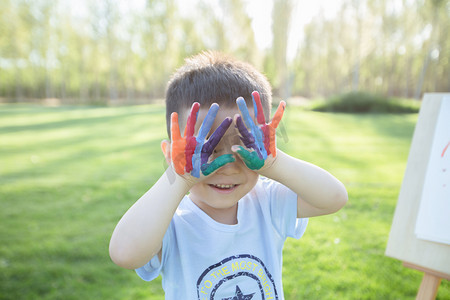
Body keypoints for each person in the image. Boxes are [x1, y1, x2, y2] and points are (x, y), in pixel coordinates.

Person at [109, 51, 348, 299]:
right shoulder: (169, 222)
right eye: (206, 149)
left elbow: (335, 197)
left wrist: (273, 163)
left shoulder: (267, 203)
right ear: (171, 155)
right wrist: (181, 177)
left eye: (245, 145)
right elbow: (124, 253)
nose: (227, 166)